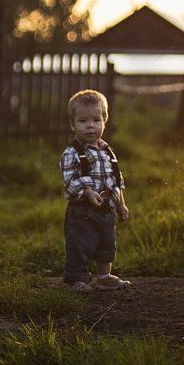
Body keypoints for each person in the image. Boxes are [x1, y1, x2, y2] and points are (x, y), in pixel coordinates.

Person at [60, 89, 132, 292]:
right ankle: (78, 279)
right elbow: (69, 179)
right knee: (80, 244)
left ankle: (103, 276)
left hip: (106, 210)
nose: (90, 125)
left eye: (96, 120)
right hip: (82, 212)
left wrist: (121, 204)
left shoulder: (108, 151)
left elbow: (116, 181)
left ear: (104, 121)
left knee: (106, 244)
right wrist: (87, 192)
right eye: (83, 121)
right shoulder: (72, 152)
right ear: (72, 125)